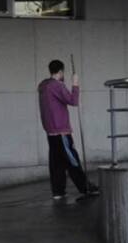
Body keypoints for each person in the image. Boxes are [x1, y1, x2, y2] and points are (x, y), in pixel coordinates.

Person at [38, 59, 99, 201]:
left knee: (56, 162)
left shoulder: (43, 86)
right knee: (72, 160)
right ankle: (85, 188)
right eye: (62, 72)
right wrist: (75, 84)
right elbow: (73, 101)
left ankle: (58, 191)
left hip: (50, 131)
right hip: (61, 131)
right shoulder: (56, 85)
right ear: (60, 71)